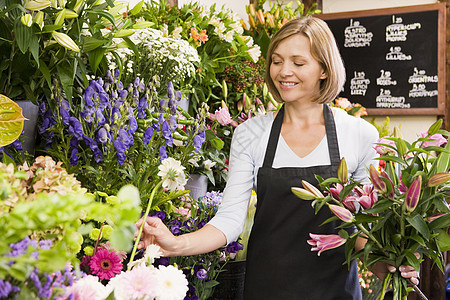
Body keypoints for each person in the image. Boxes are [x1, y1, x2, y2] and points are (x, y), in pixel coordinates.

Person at [136, 16, 419, 299]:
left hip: (336, 291)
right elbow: (230, 220)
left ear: (324, 68)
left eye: (298, 63)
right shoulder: (250, 134)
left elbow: (360, 225)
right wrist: (174, 243)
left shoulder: (359, 134)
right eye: (277, 60)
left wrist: (388, 264)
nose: (284, 72)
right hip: (268, 288)